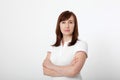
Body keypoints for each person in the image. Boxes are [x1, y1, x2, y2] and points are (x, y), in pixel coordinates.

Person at [42, 10, 88, 80]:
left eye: (70, 22)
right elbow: (45, 71)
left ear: (75, 25)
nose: (67, 26)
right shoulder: (52, 46)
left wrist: (51, 66)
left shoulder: (81, 45)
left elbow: (73, 71)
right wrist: (68, 68)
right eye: (63, 22)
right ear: (59, 25)